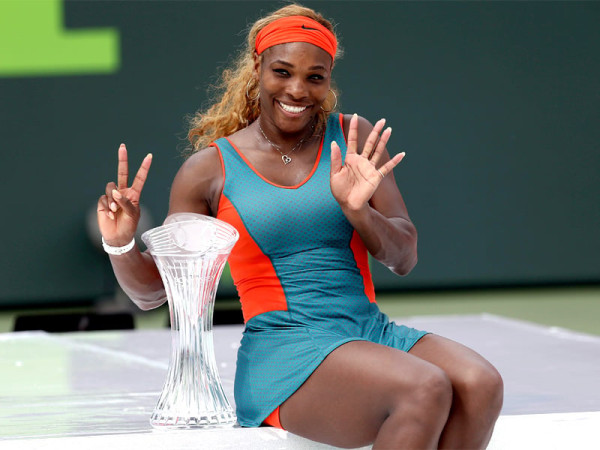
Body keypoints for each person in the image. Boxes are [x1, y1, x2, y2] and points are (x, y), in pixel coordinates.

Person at [97, 4, 503, 449]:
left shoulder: (354, 138)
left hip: (369, 332)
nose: (297, 89)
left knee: (480, 384)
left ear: (329, 79)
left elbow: (404, 257)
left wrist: (359, 211)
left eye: (315, 77)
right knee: (424, 387)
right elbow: (154, 292)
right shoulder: (208, 169)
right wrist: (120, 243)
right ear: (257, 68)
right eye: (282, 72)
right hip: (284, 352)